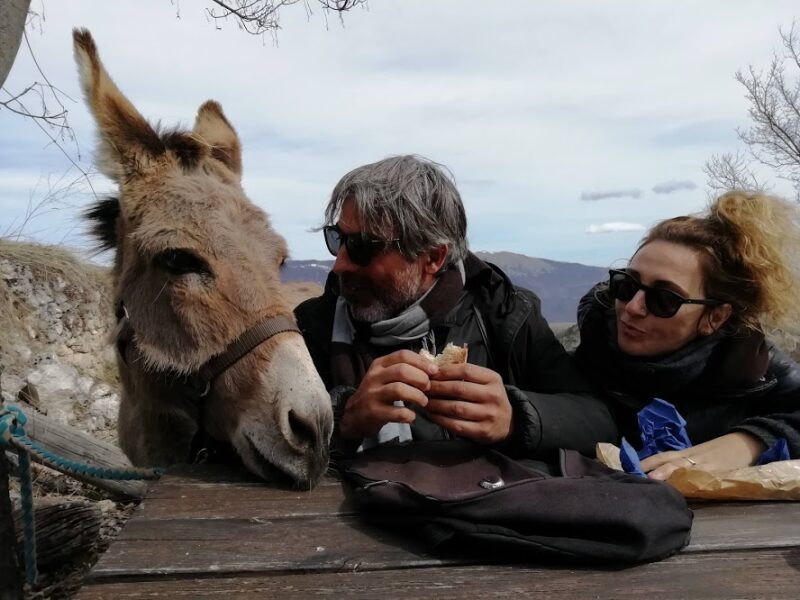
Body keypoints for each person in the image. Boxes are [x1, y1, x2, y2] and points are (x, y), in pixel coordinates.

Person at [295, 155, 615, 458]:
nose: (339, 265)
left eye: (363, 247)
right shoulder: (313, 327)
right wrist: (344, 419)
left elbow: (599, 420)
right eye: (337, 238)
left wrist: (516, 418)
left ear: (433, 257)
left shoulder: (503, 314)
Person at [574, 191, 800, 480]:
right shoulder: (587, 352)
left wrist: (748, 441)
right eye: (627, 286)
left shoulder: (749, 366)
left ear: (715, 317)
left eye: (665, 299)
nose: (632, 308)